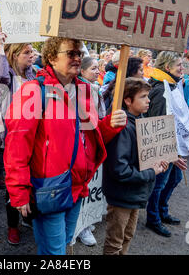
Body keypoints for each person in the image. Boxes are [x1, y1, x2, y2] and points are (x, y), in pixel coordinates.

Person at [4, 37, 127, 255]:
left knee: (65, 242)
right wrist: (19, 189)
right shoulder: (32, 91)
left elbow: (89, 136)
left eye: (79, 53)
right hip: (49, 187)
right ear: (51, 57)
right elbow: (17, 143)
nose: (78, 58)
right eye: (71, 53)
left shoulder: (85, 90)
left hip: (77, 187)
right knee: (55, 253)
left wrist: (109, 126)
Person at [103, 78, 167, 255]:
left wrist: (160, 161)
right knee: (115, 241)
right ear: (128, 101)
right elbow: (119, 169)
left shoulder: (141, 121)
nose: (149, 100)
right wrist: (150, 172)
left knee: (127, 236)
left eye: (148, 96)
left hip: (135, 194)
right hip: (122, 195)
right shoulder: (122, 128)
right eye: (143, 97)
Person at [0, 39, 37, 245]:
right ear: (15, 55)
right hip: (11, 137)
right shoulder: (6, 77)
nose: (31, 55)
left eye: (32, 51)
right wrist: (2, 48)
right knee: (14, 184)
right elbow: (0, 74)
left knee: (31, 179)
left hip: (31, 137)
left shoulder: (33, 75)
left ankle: (28, 217)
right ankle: (13, 226)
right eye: (26, 52)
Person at [144, 51, 189, 238]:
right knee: (159, 184)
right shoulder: (161, 90)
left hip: (174, 145)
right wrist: (172, 154)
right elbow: (158, 124)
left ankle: (162, 211)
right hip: (164, 147)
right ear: (167, 67)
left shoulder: (172, 86)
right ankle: (153, 219)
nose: (182, 68)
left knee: (174, 179)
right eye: (178, 64)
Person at [76, 56, 105, 246]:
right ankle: (81, 227)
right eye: (93, 68)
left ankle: (86, 221)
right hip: (82, 142)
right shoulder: (78, 90)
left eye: (98, 68)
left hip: (93, 141)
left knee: (91, 185)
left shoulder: (96, 89)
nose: (97, 71)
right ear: (83, 71)